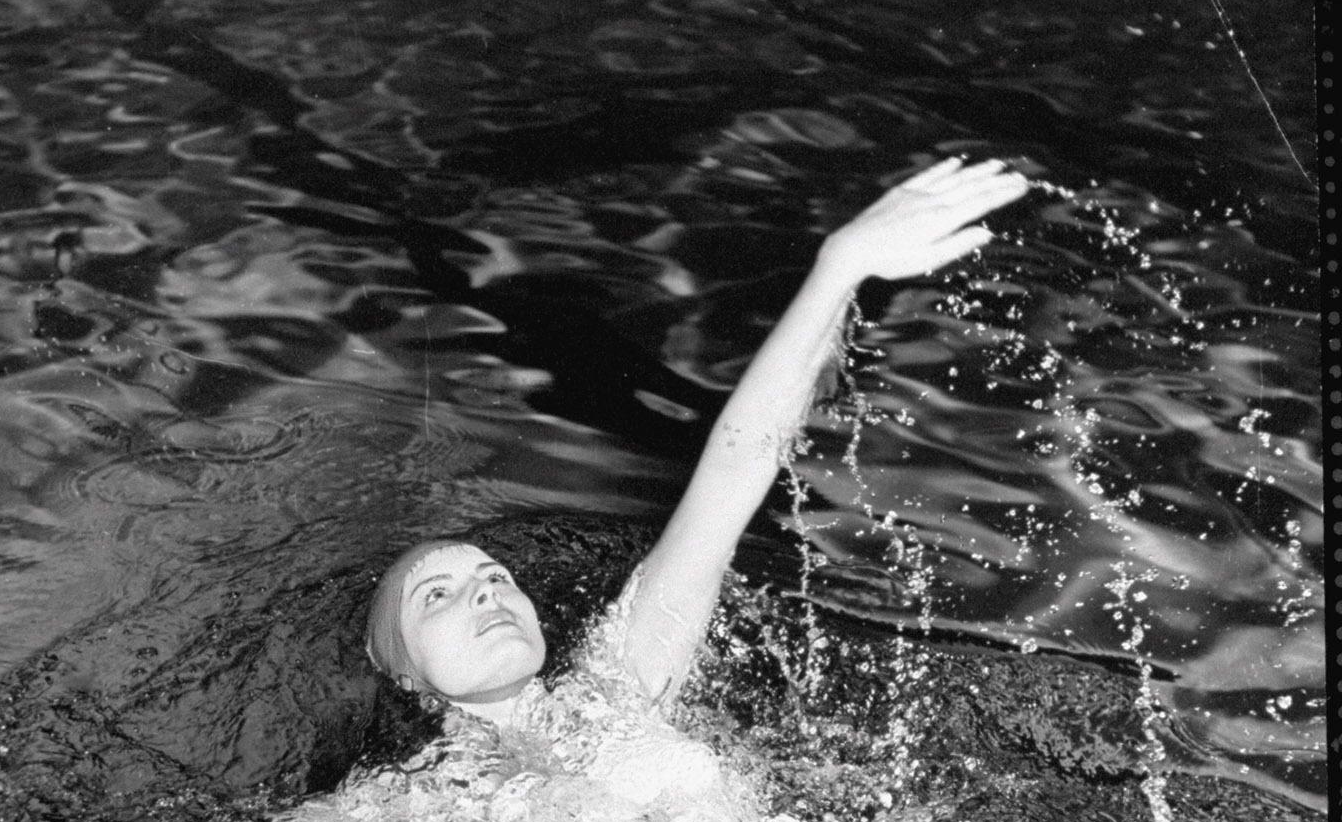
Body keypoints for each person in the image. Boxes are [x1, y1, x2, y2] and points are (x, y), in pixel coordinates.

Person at [366, 157, 1029, 720]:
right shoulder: (392, 815)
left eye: (496, 575)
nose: (486, 592)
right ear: (406, 675)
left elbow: (734, 470)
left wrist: (839, 267)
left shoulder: (621, 679)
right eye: (436, 597)